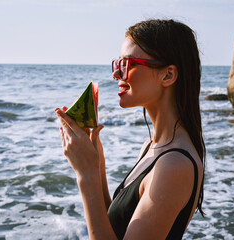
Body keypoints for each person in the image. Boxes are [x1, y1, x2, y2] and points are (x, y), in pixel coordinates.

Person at [55, 19, 205, 240]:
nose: (116, 75)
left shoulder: (175, 165)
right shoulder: (153, 147)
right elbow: (115, 227)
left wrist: (85, 176)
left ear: (168, 75)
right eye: (117, 65)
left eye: (127, 64)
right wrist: (97, 167)